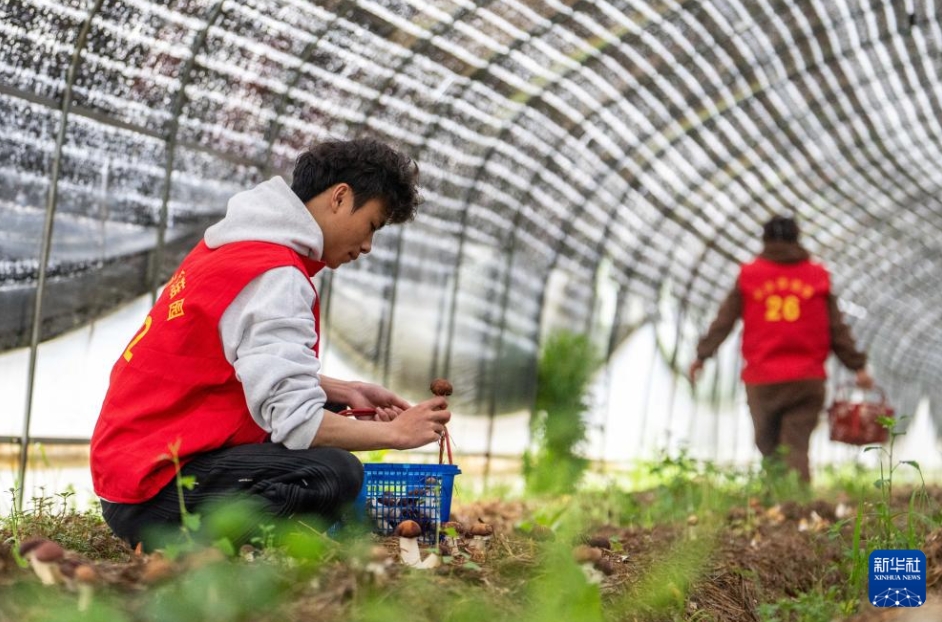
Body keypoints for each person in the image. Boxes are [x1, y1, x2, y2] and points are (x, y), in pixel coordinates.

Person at [90, 138, 451, 549]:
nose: (368, 247)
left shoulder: (233, 249)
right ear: (339, 197)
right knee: (333, 473)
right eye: (372, 225)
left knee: (323, 412)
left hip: (134, 477)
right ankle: (213, 549)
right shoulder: (275, 274)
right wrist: (399, 434)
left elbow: (233, 363)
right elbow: (296, 421)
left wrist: (346, 392)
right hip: (155, 494)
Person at [688, 215, 874, 484]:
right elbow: (836, 329)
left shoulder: (750, 275)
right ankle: (796, 505)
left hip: (763, 380)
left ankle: (775, 503)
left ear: (764, 239)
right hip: (806, 380)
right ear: (797, 238)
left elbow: (724, 321)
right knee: (796, 445)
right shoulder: (817, 275)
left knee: (768, 446)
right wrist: (857, 366)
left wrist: (701, 356)